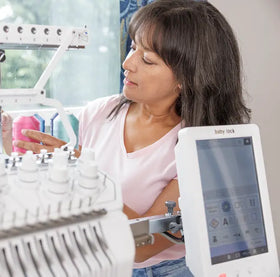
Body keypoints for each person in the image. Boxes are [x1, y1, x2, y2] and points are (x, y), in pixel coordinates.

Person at [13, 0, 251, 276]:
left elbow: (143, 244)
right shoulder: (99, 113)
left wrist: (85, 176)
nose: (127, 63)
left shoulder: (202, 148)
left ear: (186, 79)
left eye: (147, 59)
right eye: (132, 47)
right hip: (100, 261)